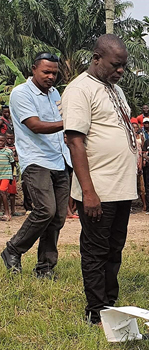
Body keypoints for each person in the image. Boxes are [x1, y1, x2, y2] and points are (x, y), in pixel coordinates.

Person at [62, 34, 138, 325]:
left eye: (123, 67)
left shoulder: (115, 90)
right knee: (96, 249)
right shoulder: (80, 89)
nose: (120, 71)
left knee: (115, 246)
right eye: (115, 65)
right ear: (96, 59)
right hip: (99, 189)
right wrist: (88, 192)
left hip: (120, 187)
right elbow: (75, 142)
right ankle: (96, 310)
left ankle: (110, 300)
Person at [2, 52, 71, 277]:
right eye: (46, 72)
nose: (51, 76)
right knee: (45, 210)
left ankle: (45, 267)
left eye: (54, 72)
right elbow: (35, 125)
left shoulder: (54, 94)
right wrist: (69, 122)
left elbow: (58, 126)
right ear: (33, 69)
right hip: (36, 160)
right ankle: (13, 249)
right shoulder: (21, 93)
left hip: (59, 160)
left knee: (58, 216)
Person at [0, 135, 15, 221]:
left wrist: (11, 175)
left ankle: (7, 213)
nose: (0, 142)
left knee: (2, 191)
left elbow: (13, 164)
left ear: (5, 141)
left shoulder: (8, 151)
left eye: (2, 141)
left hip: (6, 175)